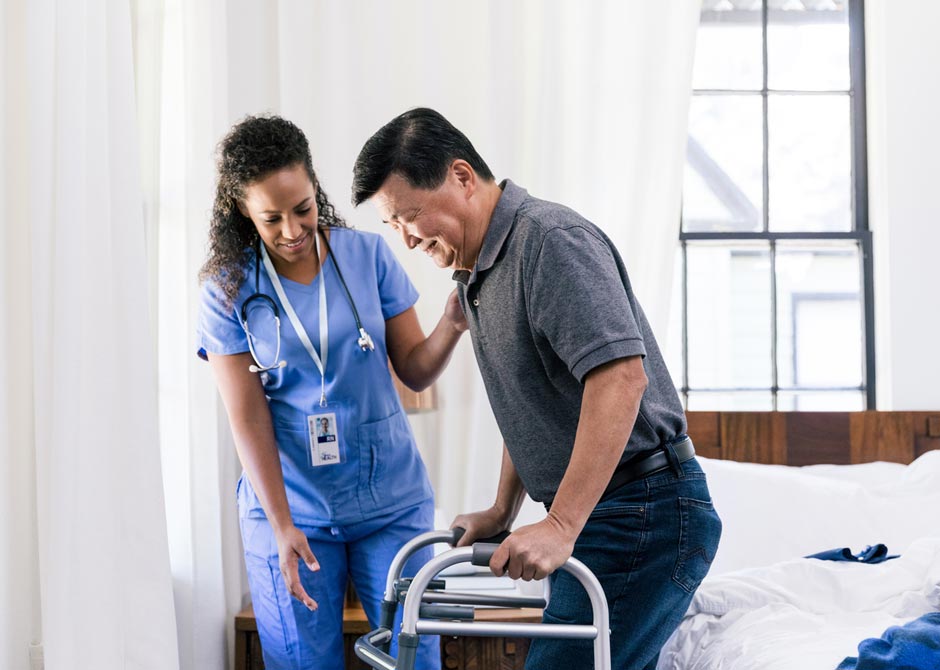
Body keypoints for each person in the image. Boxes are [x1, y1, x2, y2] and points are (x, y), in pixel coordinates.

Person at [351, 108, 722, 670]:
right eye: (391, 226)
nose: (405, 239)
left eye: (411, 216)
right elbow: (529, 405)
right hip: (608, 513)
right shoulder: (477, 278)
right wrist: (503, 510)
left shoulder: (549, 242)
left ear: (461, 176)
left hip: (644, 512)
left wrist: (560, 524)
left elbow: (621, 379)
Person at [198, 114, 465, 670]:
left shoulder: (367, 256)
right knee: (302, 662)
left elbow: (414, 370)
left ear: (315, 189)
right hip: (291, 506)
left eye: (303, 208)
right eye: (272, 218)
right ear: (243, 212)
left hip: (390, 502)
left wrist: (452, 324)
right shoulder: (227, 290)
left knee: (414, 659)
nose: (292, 230)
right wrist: (281, 525)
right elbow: (247, 419)